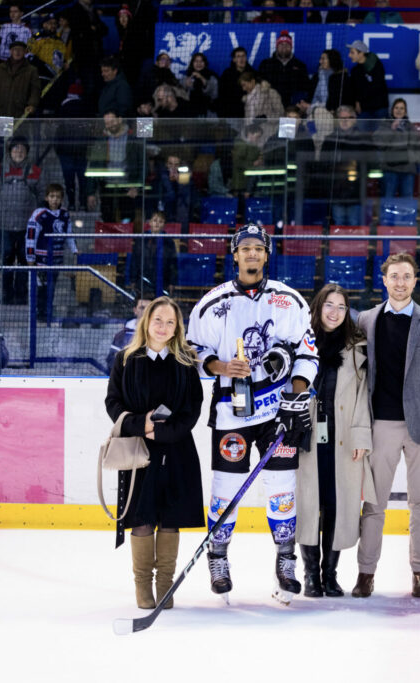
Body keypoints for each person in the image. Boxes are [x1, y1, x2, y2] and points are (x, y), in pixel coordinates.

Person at [186, 224, 319, 604]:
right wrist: (221, 367)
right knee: (225, 490)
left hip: (277, 415)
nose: (252, 254)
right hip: (232, 414)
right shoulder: (212, 303)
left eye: (258, 249)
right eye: (245, 248)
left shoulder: (288, 300)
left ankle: (285, 559)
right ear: (234, 254)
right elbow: (194, 349)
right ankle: (218, 558)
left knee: (281, 490)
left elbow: (308, 353)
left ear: (266, 254)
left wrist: (295, 398)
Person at [353, 253, 420, 598]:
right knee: (374, 505)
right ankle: (366, 572)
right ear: (383, 280)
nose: (399, 282)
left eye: (406, 276)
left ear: (414, 281)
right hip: (379, 424)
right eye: (393, 276)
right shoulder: (365, 320)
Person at [104, 296, 204, 610]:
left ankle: (165, 585)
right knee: (142, 518)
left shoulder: (187, 361)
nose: (163, 327)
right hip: (138, 452)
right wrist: (139, 426)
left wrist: (160, 431)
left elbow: (191, 410)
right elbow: (113, 403)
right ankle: (142, 585)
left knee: (170, 519)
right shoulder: (125, 358)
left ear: (177, 328)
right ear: (147, 321)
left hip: (176, 451)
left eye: (170, 322)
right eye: (157, 320)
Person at [298, 284, 372, 598]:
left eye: (342, 307)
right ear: (318, 307)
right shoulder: (301, 343)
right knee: (307, 504)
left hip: (342, 437)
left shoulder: (356, 347)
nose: (335, 312)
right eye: (329, 305)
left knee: (336, 505)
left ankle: (330, 575)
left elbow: (361, 397)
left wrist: (360, 436)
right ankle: (310, 575)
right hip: (307, 436)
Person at [0, 136, 45, 305]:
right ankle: (6, 296)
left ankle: (21, 295)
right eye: (15, 149)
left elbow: (42, 194)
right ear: (9, 152)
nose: (18, 152)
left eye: (22, 149)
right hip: (4, 226)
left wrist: (35, 215)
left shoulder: (35, 171)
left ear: (27, 152)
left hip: (27, 227)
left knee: (25, 261)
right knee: (6, 260)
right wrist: (0, 209)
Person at [25, 183, 76, 321]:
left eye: (58, 197)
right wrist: (30, 257)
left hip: (56, 260)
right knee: (42, 287)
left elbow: (69, 235)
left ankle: (47, 312)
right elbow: (31, 236)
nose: (55, 200)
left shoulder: (65, 215)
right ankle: (40, 313)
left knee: (51, 287)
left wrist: (75, 251)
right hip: (41, 261)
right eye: (52, 196)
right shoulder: (39, 214)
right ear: (46, 197)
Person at [375, 98, 420, 199]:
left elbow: (418, 146)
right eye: (396, 108)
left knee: (407, 201)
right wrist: (392, 129)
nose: (399, 110)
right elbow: (379, 144)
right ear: (392, 110)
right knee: (388, 199)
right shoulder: (385, 125)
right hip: (390, 168)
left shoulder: (410, 127)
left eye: (402, 108)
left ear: (405, 111)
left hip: (408, 169)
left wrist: (412, 158)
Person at [259, 30, 310, 112]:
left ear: (291, 47)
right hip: (271, 105)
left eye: (287, 45)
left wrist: (297, 101)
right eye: (281, 44)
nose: (284, 47)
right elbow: (260, 82)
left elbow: (305, 87)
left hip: (293, 107)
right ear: (277, 46)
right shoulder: (266, 64)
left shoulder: (300, 65)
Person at [130, 211, 177, 298]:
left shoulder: (169, 241)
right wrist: (133, 280)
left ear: (164, 225)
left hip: (162, 280)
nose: (157, 224)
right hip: (143, 279)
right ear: (150, 222)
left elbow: (173, 264)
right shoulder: (141, 239)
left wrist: (172, 282)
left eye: (160, 221)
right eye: (155, 220)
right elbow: (134, 261)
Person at [0, 40, 39, 118]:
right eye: (15, 49)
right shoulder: (0, 68)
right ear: (11, 51)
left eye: (20, 50)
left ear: (25, 52)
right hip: (2, 112)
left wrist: (32, 105)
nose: (17, 52)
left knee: (21, 131)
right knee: (3, 130)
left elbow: (35, 90)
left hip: (22, 114)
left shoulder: (32, 70)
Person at [347, 39, 389, 126]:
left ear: (361, 53)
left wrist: (360, 100)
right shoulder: (355, 70)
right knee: (362, 136)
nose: (349, 55)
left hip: (379, 108)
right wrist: (357, 101)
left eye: (352, 52)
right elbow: (354, 89)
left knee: (380, 135)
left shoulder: (376, 66)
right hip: (364, 110)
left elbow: (377, 87)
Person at [107, 296, 151, 372]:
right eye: (142, 308)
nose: (146, 311)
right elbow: (111, 361)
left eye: (149, 308)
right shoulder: (122, 334)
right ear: (135, 310)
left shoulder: (162, 334)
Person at [180, 52, 219, 117]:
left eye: (201, 61)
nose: (199, 63)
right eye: (196, 61)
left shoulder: (212, 77)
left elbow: (215, 95)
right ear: (192, 63)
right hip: (190, 113)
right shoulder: (186, 77)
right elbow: (181, 96)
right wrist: (186, 85)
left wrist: (202, 79)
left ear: (205, 63)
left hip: (208, 112)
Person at [217, 47, 252, 119]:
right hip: (232, 113)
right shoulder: (227, 74)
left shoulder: (253, 73)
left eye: (243, 56)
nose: (241, 59)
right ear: (234, 59)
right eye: (238, 56)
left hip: (250, 113)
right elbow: (222, 95)